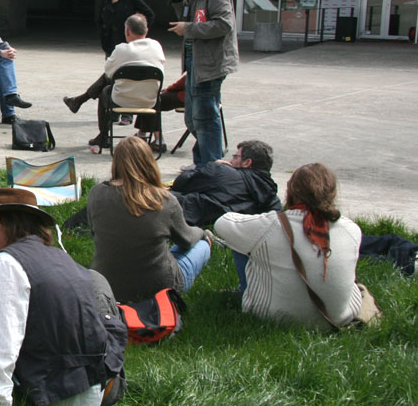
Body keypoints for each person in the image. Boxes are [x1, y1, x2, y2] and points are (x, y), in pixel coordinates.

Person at [0, 187, 126, 406]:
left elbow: (1, 347)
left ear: (13, 222)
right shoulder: (58, 256)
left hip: (57, 400)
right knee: (95, 279)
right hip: (103, 388)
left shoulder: (8, 261)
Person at [215, 163, 364, 330]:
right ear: (333, 193)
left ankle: (245, 291)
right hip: (338, 318)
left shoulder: (270, 226)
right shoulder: (352, 230)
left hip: (274, 317)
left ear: (290, 190)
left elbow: (222, 223)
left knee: (244, 239)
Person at [86, 136, 212, 304]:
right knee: (202, 246)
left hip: (107, 286)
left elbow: (93, 232)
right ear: (149, 161)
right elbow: (187, 240)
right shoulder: (165, 200)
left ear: (116, 161)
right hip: (160, 289)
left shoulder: (96, 194)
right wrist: (202, 233)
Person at [168, 0, 239, 168]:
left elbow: (224, 24)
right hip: (196, 62)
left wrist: (187, 29)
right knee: (193, 118)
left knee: (206, 117)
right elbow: (193, 17)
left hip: (210, 64)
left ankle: (212, 167)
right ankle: (203, 163)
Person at [64, 0, 155, 115]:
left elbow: (149, 13)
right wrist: (102, 32)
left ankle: (83, 100)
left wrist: (139, 33)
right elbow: (99, 18)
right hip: (110, 42)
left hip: (127, 41)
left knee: (118, 76)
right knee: (112, 76)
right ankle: (84, 102)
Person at [86, 13, 165, 153]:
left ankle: (104, 136)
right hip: (149, 100)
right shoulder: (156, 46)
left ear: (127, 31)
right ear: (146, 30)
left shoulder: (121, 49)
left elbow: (109, 73)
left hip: (121, 99)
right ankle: (156, 138)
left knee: (105, 91)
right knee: (148, 89)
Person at [170, 140, 282, 226]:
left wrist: (210, 166)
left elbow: (180, 183)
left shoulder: (221, 171)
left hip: (190, 217)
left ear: (247, 162)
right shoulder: (271, 196)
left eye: (235, 157)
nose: (231, 161)